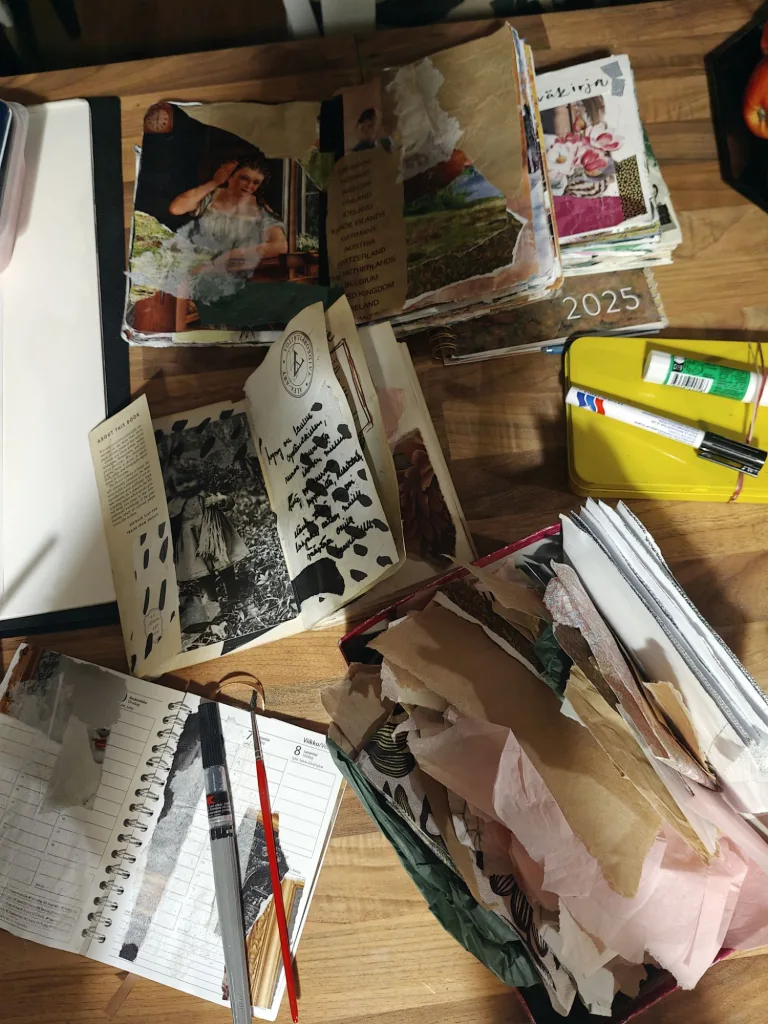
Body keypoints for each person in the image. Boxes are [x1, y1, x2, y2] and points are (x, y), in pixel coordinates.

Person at [169, 155, 288, 274]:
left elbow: (280, 246)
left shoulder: (259, 211)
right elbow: (176, 208)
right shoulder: (211, 198)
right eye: (244, 178)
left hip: (225, 271)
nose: (249, 186)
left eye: (255, 183)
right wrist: (215, 182)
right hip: (192, 263)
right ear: (229, 177)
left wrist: (231, 255)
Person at [167, 464, 249, 629]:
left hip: (214, 533)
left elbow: (228, 502)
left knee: (224, 564)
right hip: (192, 540)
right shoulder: (176, 502)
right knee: (203, 573)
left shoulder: (207, 491)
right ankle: (212, 600)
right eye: (180, 484)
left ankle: (232, 592)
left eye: (189, 480)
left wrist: (220, 500)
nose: (186, 486)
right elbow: (170, 516)